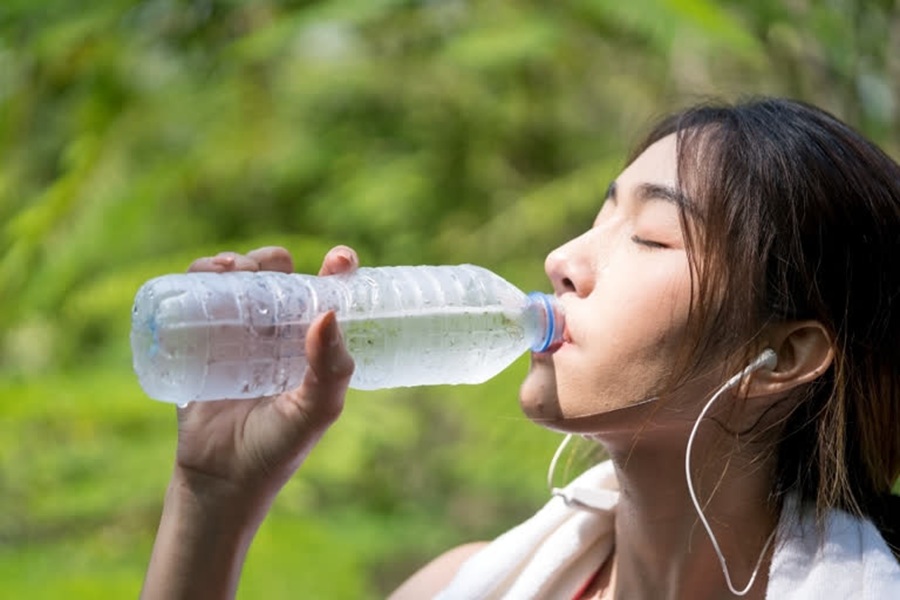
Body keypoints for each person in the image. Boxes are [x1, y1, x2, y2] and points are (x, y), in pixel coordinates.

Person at [140, 98, 900, 599]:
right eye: (598, 218)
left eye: (650, 235)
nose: (562, 259)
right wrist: (214, 495)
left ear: (784, 356)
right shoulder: (461, 587)